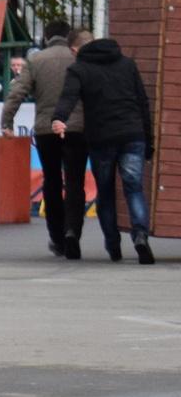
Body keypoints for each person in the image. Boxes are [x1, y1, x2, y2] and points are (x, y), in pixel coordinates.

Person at [50, 36, 157, 265]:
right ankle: (139, 235)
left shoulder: (79, 68)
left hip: (101, 138)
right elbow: (142, 102)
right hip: (132, 134)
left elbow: (68, 97)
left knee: (106, 193)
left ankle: (113, 245)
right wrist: (148, 139)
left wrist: (59, 118)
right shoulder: (128, 64)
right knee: (134, 188)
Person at [3, 21, 86, 258]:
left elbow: (17, 92)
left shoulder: (36, 60)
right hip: (76, 128)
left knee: (51, 181)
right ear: (68, 36)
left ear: (47, 39)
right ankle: (72, 231)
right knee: (74, 181)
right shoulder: (77, 58)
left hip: (46, 129)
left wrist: (7, 121)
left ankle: (57, 238)